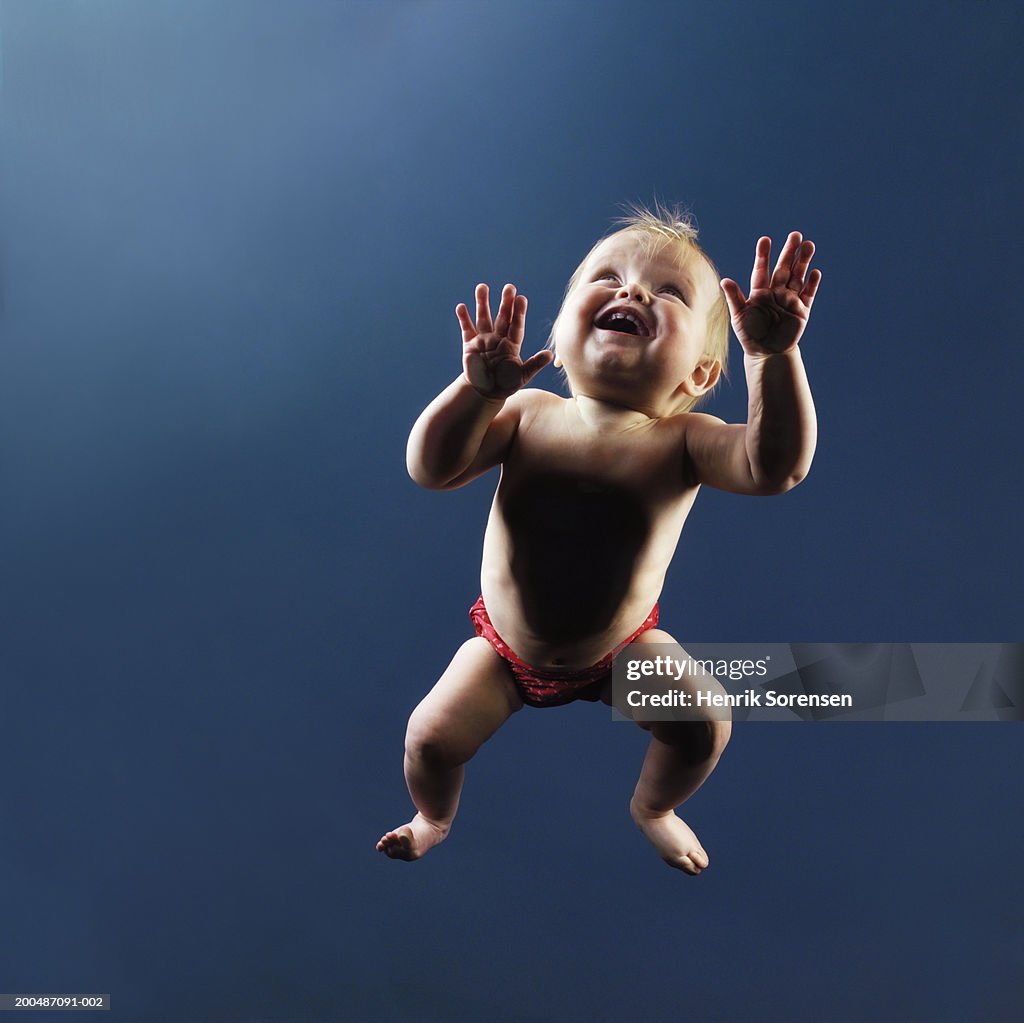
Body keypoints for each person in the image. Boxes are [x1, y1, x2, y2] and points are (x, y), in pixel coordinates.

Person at [377, 204, 820, 873]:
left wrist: (773, 356)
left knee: (704, 723)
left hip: (620, 650)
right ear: (556, 335)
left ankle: (654, 807)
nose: (634, 290)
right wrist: (475, 393)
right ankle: (433, 816)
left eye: (669, 292)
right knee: (428, 739)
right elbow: (430, 469)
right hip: (504, 649)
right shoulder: (527, 414)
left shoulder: (684, 441)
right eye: (607, 277)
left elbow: (775, 466)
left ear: (698, 377)